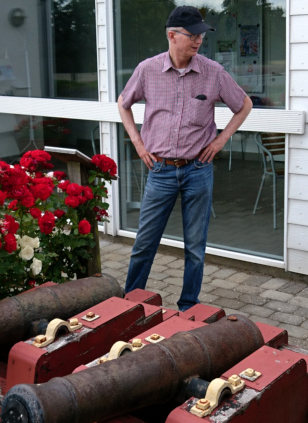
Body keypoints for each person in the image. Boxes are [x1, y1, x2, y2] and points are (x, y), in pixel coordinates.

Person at [118, 6, 253, 311]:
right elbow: (123, 103)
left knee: (195, 247)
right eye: (192, 35)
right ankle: (130, 303)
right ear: (172, 36)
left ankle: (188, 307)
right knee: (144, 243)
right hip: (160, 169)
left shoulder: (213, 73)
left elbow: (243, 105)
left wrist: (220, 140)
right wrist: (138, 143)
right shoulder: (147, 70)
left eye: (201, 35)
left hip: (198, 170)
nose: (198, 41)